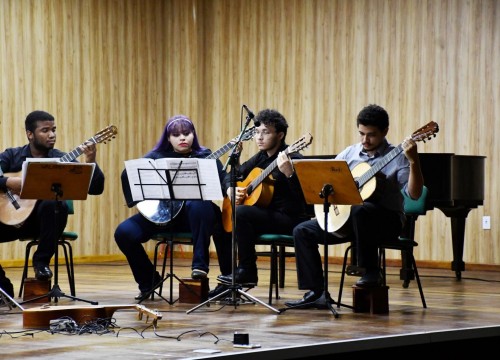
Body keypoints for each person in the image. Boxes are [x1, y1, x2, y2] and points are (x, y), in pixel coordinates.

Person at [284, 104, 424, 309]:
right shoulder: (350, 153)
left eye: (371, 135)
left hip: (387, 221)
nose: (365, 140)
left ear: (385, 131)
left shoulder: (398, 156)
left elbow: (415, 194)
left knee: (362, 208)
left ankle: (370, 271)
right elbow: (327, 182)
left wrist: (414, 162)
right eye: (361, 134)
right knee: (302, 230)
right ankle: (316, 293)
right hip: (350, 220)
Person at [115, 114, 231, 301]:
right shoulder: (155, 157)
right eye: (176, 135)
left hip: (196, 218)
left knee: (199, 205)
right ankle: (149, 280)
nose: (182, 138)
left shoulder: (206, 156)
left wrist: (231, 186)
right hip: (164, 217)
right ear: (168, 138)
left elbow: (225, 180)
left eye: (187, 133)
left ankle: (199, 266)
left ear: (194, 135)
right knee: (123, 233)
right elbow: (127, 175)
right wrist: (137, 201)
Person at [212, 109, 311, 298]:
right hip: (265, 216)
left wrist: (289, 174)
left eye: (265, 132)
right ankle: (228, 279)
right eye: (257, 132)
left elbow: (306, 196)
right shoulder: (261, 157)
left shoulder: (294, 158)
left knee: (241, 213)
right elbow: (234, 175)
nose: (259, 137)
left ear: (280, 135)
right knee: (220, 223)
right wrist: (230, 189)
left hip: (291, 218)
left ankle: (248, 270)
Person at [0, 110, 105, 281]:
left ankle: (41, 262)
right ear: (30, 134)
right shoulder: (12, 156)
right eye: (45, 130)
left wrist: (91, 160)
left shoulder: (62, 159)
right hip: (9, 219)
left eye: (54, 130)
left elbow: (95, 189)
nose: (52, 135)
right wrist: (7, 182)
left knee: (56, 205)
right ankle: (3, 285)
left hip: (42, 224)